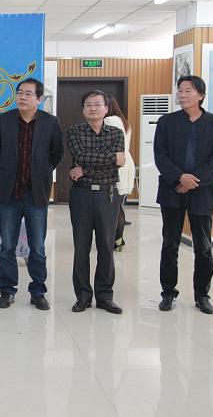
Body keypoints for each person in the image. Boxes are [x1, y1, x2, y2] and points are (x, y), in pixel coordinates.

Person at [0, 78, 63, 310]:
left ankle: (38, 291)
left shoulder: (50, 122)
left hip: (36, 194)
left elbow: (57, 153)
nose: (22, 97)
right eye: (20, 93)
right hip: (9, 193)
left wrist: (40, 170)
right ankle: (7, 290)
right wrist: (7, 167)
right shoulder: (4, 120)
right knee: (7, 246)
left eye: (28, 94)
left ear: (39, 99)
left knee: (37, 247)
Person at [155, 75, 213, 315]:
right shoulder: (166, 122)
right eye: (180, 90)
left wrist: (192, 181)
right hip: (172, 190)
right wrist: (179, 178)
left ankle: (202, 295)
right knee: (170, 244)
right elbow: (160, 156)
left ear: (201, 95)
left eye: (188, 90)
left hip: (203, 192)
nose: (182, 94)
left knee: (203, 247)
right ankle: (168, 293)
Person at [67, 90, 125, 315]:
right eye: (89, 104)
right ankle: (83, 296)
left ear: (106, 108)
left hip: (107, 195)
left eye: (98, 104)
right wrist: (110, 159)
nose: (93, 108)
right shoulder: (74, 132)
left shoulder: (116, 133)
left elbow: (119, 163)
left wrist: (85, 169)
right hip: (81, 195)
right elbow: (81, 156)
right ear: (83, 109)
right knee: (81, 247)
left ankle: (105, 297)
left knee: (106, 247)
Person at [103, 96, 135, 250]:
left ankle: (116, 240)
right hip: (127, 162)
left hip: (117, 163)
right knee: (118, 204)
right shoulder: (124, 122)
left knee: (113, 206)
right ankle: (118, 240)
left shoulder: (109, 121)